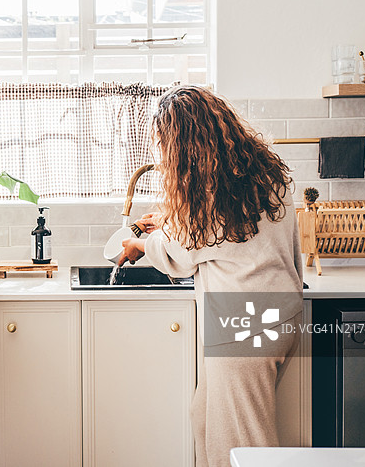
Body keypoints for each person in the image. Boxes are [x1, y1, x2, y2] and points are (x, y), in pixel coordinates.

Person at [118, 85, 303, 467]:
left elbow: (182, 256)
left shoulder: (213, 193)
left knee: (244, 445)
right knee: (205, 421)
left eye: (164, 143)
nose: (163, 154)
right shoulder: (258, 175)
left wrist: (142, 244)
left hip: (244, 325)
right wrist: (172, 222)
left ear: (184, 143)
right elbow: (228, 238)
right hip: (276, 314)